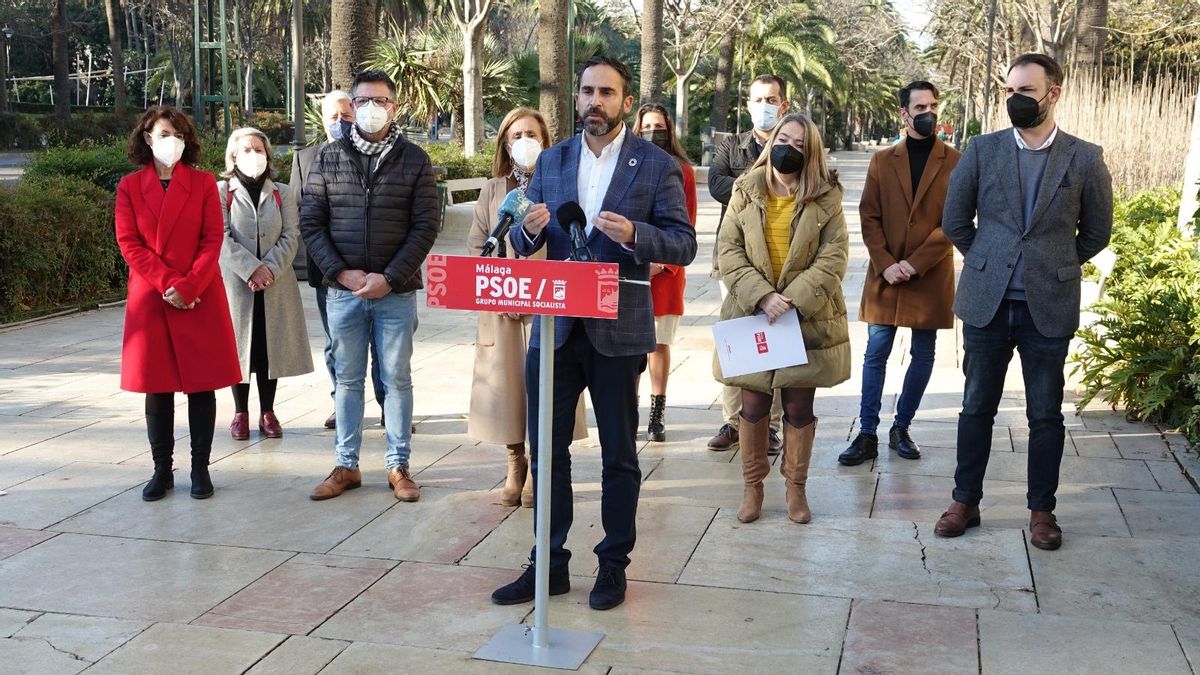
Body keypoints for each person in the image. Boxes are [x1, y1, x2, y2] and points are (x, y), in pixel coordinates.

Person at [490, 56, 697, 611]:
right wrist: (530, 234)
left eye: (607, 92)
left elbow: (683, 244)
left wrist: (637, 234)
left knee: (618, 455)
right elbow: (537, 243)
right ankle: (548, 564)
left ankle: (613, 565)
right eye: (587, 92)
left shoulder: (655, 166)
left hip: (617, 329)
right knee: (547, 452)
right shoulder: (552, 161)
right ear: (576, 99)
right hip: (555, 331)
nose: (594, 101)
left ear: (626, 102)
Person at [935, 53, 1113, 550]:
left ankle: (1041, 512)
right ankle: (964, 502)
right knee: (975, 408)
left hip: (1047, 306)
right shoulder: (982, 149)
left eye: (1026, 92)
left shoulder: (1084, 157)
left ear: (1053, 94)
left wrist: (1051, 263)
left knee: (1045, 414)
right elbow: (954, 221)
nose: (1015, 99)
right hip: (988, 304)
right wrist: (993, 260)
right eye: (1009, 91)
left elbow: (1097, 231)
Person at [300, 69, 440, 503]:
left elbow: (425, 226)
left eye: (380, 101)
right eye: (362, 101)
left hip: (395, 293)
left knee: (396, 379)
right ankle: (346, 465)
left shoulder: (415, 159)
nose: (370, 109)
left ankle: (398, 466)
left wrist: (390, 277)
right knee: (347, 379)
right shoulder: (328, 157)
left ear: (394, 107)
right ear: (352, 106)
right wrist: (341, 273)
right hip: (343, 291)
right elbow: (311, 222)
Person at [714, 112, 850, 525]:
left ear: (810, 155)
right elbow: (729, 250)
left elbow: (834, 257)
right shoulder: (744, 189)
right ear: (771, 141)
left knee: (797, 405)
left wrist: (789, 300)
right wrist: (762, 296)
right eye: (782, 139)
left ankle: (796, 487)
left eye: (799, 144)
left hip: (803, 317)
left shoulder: (826, 196)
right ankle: (752, 487)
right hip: (753, 313)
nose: (787, 148)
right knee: (752, 405)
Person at [114, 105, 242, 501]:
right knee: (159, 387)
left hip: (199, 294)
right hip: (153, 296)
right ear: (147, 138)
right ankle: (160, 470)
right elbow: (128, 242)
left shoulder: (203, 183)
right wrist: (169, 283)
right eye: (163, 133)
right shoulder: (130, 187)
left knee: (201, 386)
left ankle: (200, 468)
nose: (171, 141)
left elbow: (212, 240)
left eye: (177, 134)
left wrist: (188, 286)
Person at [466, 106, 588, 508]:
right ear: (504, 142)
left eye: (531, 134)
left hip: (548, 309)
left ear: (546, 140)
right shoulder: (493, 190)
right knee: (508, 391)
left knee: (548, 391)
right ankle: (515, 461)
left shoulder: (562, 186)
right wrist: (500, 291)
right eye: (516, 135)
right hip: (502, 310)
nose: (524, 142)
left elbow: (573, 245)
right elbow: (477, 247)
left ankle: (540, 466)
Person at [839, 81, 961, 466]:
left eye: (933, 105)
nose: (928, 113)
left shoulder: (956, 161)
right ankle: (867, 432)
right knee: (876, 352)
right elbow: (868, 215)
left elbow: (956, 220)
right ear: (903, 113)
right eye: (920, 106)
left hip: (929, 274)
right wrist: (887, 262)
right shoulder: (882, 160)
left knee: (924, 353)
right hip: (885, 273)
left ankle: (902, 426)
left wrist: (915, 262)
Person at [292, 90, 387, 431]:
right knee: (336, 343)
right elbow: (303, 215)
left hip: (377, 268)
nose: (340, 122)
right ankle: (342, 404)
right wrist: (335, 263)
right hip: (329, 272)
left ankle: (388, 405)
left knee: (381, 342)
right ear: (322, 121)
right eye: (332, 117)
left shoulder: (381, 153)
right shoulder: (305, 159)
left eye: (345, 116)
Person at [706, 74, 789, 454]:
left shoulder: (794, 145)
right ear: (748, 104)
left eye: (772, 99)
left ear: (784, 104)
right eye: (758, 99)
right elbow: (715, 184)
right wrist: (761, 182)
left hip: (779, 257)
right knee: (734, 336)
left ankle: (769, 426)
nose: (765, 106)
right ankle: (732, 420)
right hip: (734, 255)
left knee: (773, 340)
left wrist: (746, 185)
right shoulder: (731, 146)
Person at [218, 127, 314, 440]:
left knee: (268, 348)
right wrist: (250, 269)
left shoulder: (282, 193)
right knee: (238, 349)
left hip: (275, 285)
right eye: (246, 150)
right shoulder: (221, 192)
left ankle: (268, 411)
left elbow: (291, 234)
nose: (253, 155)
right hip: (237, 285)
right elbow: (219, 237)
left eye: (259, 150)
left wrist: (268, 269)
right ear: (233, 156)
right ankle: (240, 412)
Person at [632, 103, 697, 442]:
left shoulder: (682, 171)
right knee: (630, 347)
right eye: (646, 126)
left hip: (666, 275)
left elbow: (688, 223)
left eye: (658, 126)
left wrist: (662, 263)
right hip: (631, 270)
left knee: (658, 344)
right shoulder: (627, 166)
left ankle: (657, 413)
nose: (652, 132)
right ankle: (628, 409)